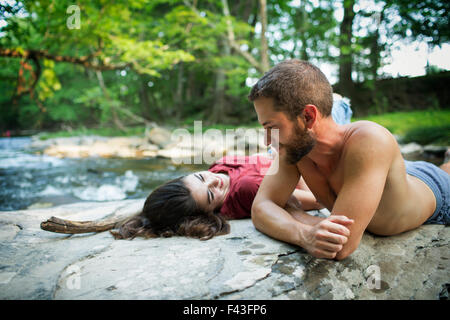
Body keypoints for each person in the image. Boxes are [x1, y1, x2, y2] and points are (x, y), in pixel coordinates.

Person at [248, 59, 450, 261]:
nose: (268, 141)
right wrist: (303, 235)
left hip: (434, 188)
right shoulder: (296, 149)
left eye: (271, 127)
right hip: (379, 173)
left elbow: (341, 245)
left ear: (308, 117)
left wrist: (293, 212)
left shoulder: (369, 140)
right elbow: (260, 209)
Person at [112, 95, 354, 241]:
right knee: (336, 107)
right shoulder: (246, 192)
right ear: (209, 213)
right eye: (210, 194)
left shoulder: (217, 168)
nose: (214, 181)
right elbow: (314, 199)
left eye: (200, 177)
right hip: (298, 158)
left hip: (277, 149)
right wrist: (302, 163)